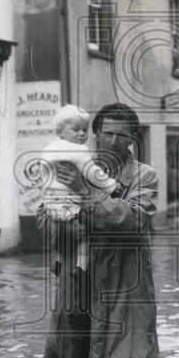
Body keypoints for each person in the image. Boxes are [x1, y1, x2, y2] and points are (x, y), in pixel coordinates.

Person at [40, 102, 164, 358]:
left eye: (121, 136)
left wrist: (86, 194)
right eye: (106, 133)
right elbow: (45, 214)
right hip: (79, 276)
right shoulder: (73, 163)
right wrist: (60, 218)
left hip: (124, 280)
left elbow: (135, 218)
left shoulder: (144, 176)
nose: (112, 141)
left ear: (132, 139)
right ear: (95, 134)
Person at [40, 105, 118, 273]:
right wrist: (110, 186)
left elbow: (43, 174)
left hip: (51, 204)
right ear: (60, 132)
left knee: (60, 234)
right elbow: (93, 172)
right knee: (84, 235)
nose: (82, 134)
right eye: (76, 130)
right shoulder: (78, 150)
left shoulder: (48, 150)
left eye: (85, 130)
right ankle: (80, 267)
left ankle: (58, 260)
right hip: (71, 204)